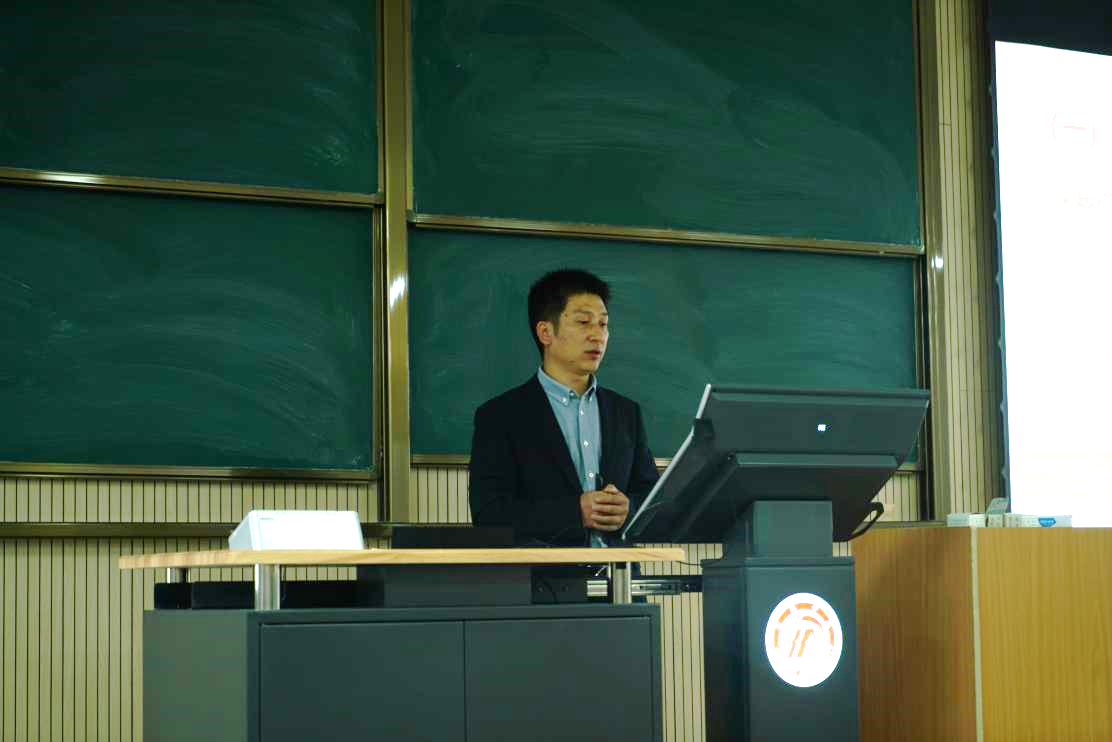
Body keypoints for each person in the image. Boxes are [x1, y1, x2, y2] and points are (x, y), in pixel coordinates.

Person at [468, 269, 659, 546]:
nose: (597, 335)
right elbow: (490, 514)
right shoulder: (501, 416)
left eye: (603, 324)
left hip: (619, 571)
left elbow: (654, 498)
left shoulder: (626, 412)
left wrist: (629, 509)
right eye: (583, 322)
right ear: (546, 332)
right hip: (545, 572)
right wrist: (574, 512)